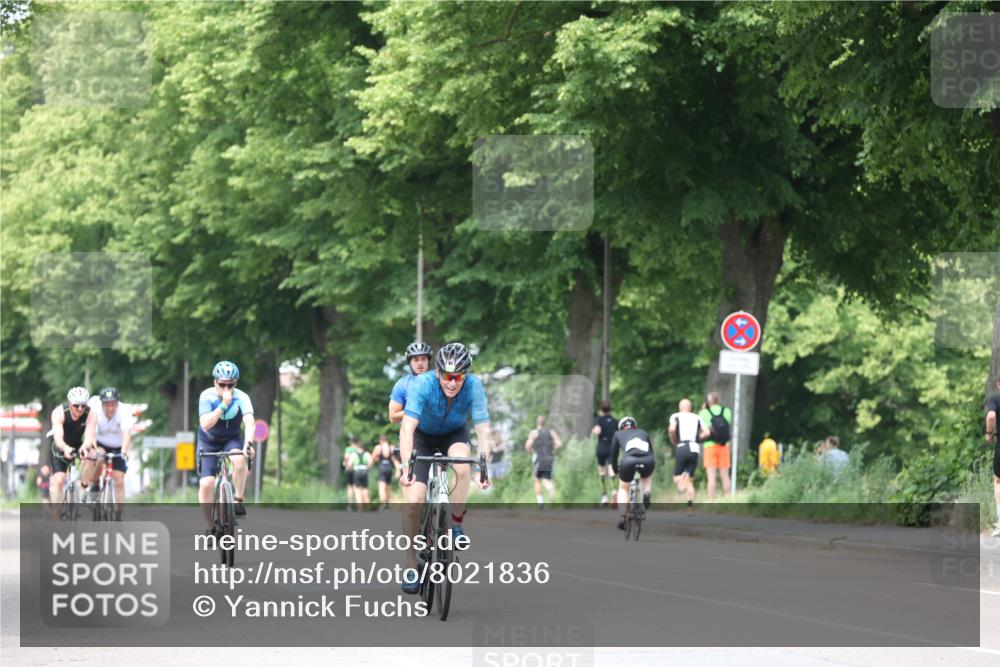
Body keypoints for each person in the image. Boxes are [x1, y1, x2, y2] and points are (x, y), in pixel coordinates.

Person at [398, 342, 492, 594]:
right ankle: (410, 565)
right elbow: (406, 427)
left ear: (466, 375)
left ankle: (457, 523)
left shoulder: (474, 386)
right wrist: (407, 467)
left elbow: (483, 429)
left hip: (454, 434)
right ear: (438, 372)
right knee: (414, 500)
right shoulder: (423, 384)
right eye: (447, 376)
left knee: (463, 465)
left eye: (458, 376)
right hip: (422, 436)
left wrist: (485, 467)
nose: (452, 383)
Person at [197, 361, 255, 532]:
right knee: (207, 483)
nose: (226, 389)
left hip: (232, 438)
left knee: (239, 460)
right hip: (209, 440)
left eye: (230, 385)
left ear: (235, 383)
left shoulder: (242, 397)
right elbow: (206, 424)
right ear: (215, 382)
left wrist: (248, 444)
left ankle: (238, 501)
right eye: (222, 385)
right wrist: (223, 405)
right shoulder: (206, 396)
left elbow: (250, 422)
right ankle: (209, 526)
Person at [80, 387, 133, 519]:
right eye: (107, 405)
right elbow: (91, 431)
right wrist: (93, 447)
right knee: (97, 457)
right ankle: (95, 483)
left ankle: (119, 514)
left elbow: (127, 433)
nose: (110, 408)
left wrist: (124, 450)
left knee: (119, 480)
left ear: (117, 403)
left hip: (118, 445)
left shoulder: (124, 410)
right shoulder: (95, 409)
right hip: (100, 443)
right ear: (102, 403)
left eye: (113, 404)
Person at [48, 387, 92, 519]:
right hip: (60, 445)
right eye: (76, 405)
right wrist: (66, 448)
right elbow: (58, 438)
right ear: (69, 403)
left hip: (79, 444)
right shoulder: (59, 412)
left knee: (93, 455)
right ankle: (56, 515)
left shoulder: (91, 414)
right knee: (59, 479)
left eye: (83, 406)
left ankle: (83, 490)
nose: (80, 409)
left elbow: (89, 436)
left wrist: (85, 448)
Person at [610, 416, 655, 530]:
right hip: (647, 460)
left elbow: (613, 457)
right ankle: (647, 494)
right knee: (646, 477)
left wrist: (616, 471)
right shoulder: (643, 432)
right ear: (635, 426)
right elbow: (651, 452)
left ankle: (623, 517)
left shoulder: (617, 434)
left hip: (629, 460)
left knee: (624, 487)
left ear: (621, 427)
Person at [669, 398, 711, 514]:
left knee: (676, 476)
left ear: (680, 407)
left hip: (682, 446)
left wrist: (673, 438)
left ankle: (681, 480)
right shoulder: (697, 417)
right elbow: (707, 432)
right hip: (694, 447)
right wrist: (698, 439)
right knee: (690, 480)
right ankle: (690, 508)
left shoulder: (675, 416)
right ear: (690, 407)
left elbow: (672, 428)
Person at [698, 392, 733, 499]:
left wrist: (703, 409)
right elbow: (728, 424)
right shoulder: (727, 411)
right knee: (725, 475)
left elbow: (701, 428)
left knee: (711, 476)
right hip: (724, 445)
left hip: (710, 446)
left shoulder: (704, 412)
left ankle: (711, 500)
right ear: (718, 400)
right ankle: (728, 499)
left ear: (709, 401)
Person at [388, 342, 433, 424]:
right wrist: (415, 411)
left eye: (423, 359)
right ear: (410, 363)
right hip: (412, 433)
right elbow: (393, 417)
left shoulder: (440, 382)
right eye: (416, 360)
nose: (420, 363)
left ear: (428, 362)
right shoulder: (402, 385)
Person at [524, 415, 563, 506]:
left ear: (537, 423)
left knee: (537, 479)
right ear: (544, 423)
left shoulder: (534, 433)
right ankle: (550, 491)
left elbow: (527, 446)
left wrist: (532, 451)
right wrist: (551, 448)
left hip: (540, 458)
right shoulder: (551, 432)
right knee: (546, 479)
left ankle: (540, 502)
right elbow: (559, 444)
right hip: (550, 458)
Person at [590, 400, 617, 505]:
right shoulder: (615, 421)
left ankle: (604, 496)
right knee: (612, 471)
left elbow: (597, 431)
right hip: (612, 447)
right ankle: (615, 490)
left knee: (602, 472)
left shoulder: (598, 420)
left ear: (601, 410)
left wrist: (594, 431)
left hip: (601, 447)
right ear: (610, 409)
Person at [986, 377, 1000, 536]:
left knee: (998, 480)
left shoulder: (995, 398)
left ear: (998, 384)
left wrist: (989, 433)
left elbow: (991, 416)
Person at [372, 434, 401, 510]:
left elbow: (373, 458)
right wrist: (398, 470)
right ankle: (387, 505)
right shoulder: (391, 447)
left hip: (382, 467)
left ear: (380, 441)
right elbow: (395, 460)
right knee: (388, 486)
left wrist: (378, 459)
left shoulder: (378, 447)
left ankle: (383, 504)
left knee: (381, 487)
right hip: (389, 468)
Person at [348, 437, 372, 511]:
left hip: (357, 471)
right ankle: (368, 506)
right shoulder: (366, 453)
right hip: (364, 471)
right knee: (365, 489)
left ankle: (360, 507)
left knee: (357, 490)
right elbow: (370, 462)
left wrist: (351, 468)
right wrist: (367, 468)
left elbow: (349, 464)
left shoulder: (353, 454)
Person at [343, 436, 362, 510]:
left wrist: (345, 463)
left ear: (350, 442)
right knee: (357, 488)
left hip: (350, 469)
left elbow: (346, 457)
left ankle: (350, 505)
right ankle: (359, 505)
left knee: (350, 487)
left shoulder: (348, 449)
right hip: (357, 470)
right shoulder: (358, 449)